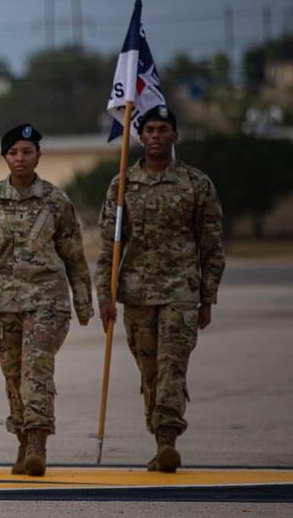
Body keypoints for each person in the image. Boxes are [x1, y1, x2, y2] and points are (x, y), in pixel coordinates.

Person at [0, 123, 94, 478]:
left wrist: (83, 302)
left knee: (36, 369)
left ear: (38, 156)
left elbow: (74, 255)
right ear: (5, 157)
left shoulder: (55, 200)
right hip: (3, 304)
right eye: (14, 152)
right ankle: (22, 436)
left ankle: (37, 441)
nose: (20, 158)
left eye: (27, 151)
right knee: (13, 376)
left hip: (47, 301)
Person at [95, 105, 225, 474]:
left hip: (180, 293)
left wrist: (207, 298)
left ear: (174, 137)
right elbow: (109, 247)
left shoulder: (196, 184)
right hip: (135, 294)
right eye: (149, 129)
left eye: (163, 129)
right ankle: (159, 438)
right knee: (150, 372)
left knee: (172, 367)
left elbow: (211, 245)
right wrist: (105, 295)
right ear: (140, 136)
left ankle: (167, 439)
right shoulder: (122, 185)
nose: (155, 135)